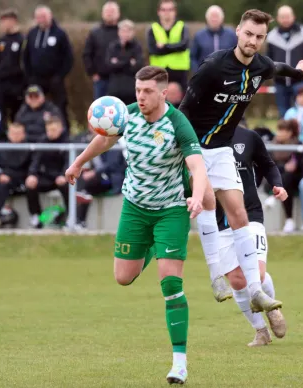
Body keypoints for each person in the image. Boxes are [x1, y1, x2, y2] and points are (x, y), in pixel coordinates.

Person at [65, 66, 208, 385]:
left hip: (171, 209)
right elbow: (103, 142)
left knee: (170, 283)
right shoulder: (124, 115)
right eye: (137, 90)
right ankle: (156, 247)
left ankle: (180, 362)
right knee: (123, 277)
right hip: (135, 208)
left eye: (146, 91)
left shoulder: (177, 123)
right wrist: (78, 163)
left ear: (163, 93)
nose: (140, 97)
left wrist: (196, 197)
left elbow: (197, 166)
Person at [179, 9, 303, 306]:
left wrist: (299, 71)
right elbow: (184, 110)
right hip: (197, 148)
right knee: (207, 204)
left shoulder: (260, 66)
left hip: (223, 150)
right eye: (249, 34)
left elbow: (278, 67)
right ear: (238, 31)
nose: (252, 41)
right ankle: (216, 276)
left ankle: (256, 290)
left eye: (259, 37)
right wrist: (184, 151)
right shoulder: (213, 67)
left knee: (239, 215)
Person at [215, 124, 288, 347]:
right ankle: (260, 331)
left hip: (250, 215)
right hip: (220, 221)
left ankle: (273, 309)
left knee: (256, 272)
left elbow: (267, 163)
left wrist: (277, 184)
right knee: (237, 280)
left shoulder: (248, 137)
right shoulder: (202, 137)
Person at [23, 6, 73, 127]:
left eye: (44, 16)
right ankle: (36, 130)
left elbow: (68, 57)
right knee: (35, 106)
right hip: (36, 78)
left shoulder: (60, 33)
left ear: (50, 16)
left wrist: (60, 76)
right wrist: (29, 76)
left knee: (60, 105)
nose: (41, 20)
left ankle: (64, 131)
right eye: (38, 17)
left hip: (55, 78)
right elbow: (26, 56)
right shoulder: (32, 33)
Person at [267, 5, 303, 117]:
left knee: (302, 112)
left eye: (287, 16)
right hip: (280, 82)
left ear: (293, 17)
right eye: (282, 17)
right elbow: (268, 59)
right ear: (278, 18)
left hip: (299, 81)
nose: (285, 19)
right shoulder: (271, 37)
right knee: (283, 113)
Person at [0, 123, 32, 228]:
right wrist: (0, 175)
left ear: (23, 134)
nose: (15, 136)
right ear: (8, 134)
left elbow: (28, 170)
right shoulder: (3, 148)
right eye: (13, 133)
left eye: (18, 134)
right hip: (3, 179)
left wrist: (11, 176)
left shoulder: (28, 149)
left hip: (20, 182)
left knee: (3, 185)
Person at [26, 116, 70, 229]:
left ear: (61, 128)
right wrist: (32, 175)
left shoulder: (68, 141)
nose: (50, 133)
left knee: (67, 186)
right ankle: (36, 216)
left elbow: (69, 161)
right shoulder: (43, 141)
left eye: (54, 130)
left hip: (63, 176)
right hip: (47, 177)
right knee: (30, 185)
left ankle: (70, 215)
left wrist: (63, 175)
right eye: (48, 130)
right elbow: (36, 160)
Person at [266, 119, 301, 233]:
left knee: (287, 178)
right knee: (283, 179)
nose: (279, 134)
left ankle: (273, 196)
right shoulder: (272, 146)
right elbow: (270, 165)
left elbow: (299, 165)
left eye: (283, 131)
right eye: (279, 130)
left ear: (290, 133)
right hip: (278, 179)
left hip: (295, 178)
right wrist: (284, 167)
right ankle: (289, 220)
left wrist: (289, 167)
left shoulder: (297, 145)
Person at [147, 0, 191, 92]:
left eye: (170, 10)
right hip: (158, 72)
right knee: (158, 101)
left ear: (175, 11)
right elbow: (152, 50)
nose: (167, 13)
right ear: (158, 12)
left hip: (180, 71)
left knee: (182, 103)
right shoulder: (152, 28)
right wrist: (175, 48)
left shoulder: (182, 26)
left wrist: (164, 46)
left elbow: (183, 46)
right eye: (163, 10)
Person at [0, 9, 26, 123]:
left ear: (13, 21)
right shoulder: (0, 41)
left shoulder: (22, 40)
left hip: (16, 84)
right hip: (0, 84)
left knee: (16, 113)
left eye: (5, 21)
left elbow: (24, 63)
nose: (3, 24)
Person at [82, 1, 120, 100]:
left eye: (112, 11)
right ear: (102, 13)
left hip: (121, 80)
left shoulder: (123, 32)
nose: (109, 13)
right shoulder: (95, 33)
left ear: (118, 13)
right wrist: (92, 73)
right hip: (101, 80)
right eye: (107, 11)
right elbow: (87, 54)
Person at [106, 19, 145, 105]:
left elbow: (138, 66)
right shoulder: (113, 46)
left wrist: (118, 62)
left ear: (133, 32)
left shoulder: (137, 47)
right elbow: (109, 66)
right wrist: (128, 62)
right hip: (115, 90)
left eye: (128, 31)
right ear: (118, 32)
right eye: (123, 31)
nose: (125, 34)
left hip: (132, 90)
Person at [190, 5, 237, 72]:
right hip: (204, 76)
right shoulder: (199, 36)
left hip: (227, 75)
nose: (214, 19)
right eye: (212, 16)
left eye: (217, 16)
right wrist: (197, 72)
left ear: (222, 18)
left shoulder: (231, 35)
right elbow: (193, 57)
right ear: (207, 18)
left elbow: (237, 55)